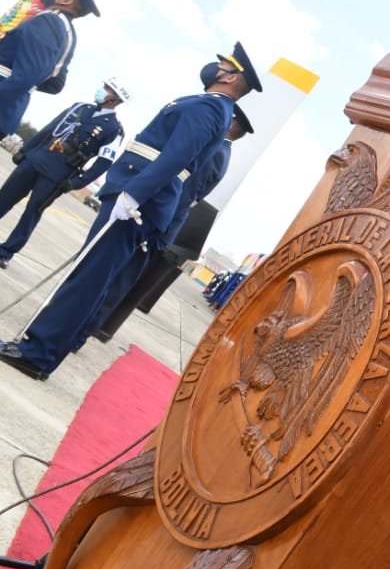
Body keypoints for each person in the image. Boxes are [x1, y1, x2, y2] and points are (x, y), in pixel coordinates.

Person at [0, 43, 260, 382]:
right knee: (89, 277)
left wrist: (134, 195)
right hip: (136, 197)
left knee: (86, 279)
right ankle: (42, 349)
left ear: (230, 77)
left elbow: (175, 157)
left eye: (222, 64)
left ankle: (37, 353)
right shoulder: (211, 106)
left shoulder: (211, 107)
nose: (215, 66)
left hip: (138, 201)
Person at [90, 102, 254, 341]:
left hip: (162, 217)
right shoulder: (222, 152)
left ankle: (94, 324)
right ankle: (98, 325)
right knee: (124, 274)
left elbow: (185, 190)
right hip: (167, 218)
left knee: (122, 274)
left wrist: (155, 211)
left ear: (231, 125)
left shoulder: (217, 151)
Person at [0, 78, 128, 268]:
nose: (101, 90)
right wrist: (25, 151)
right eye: (104, 86)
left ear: (114, 99)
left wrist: (77, 183)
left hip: (57, 176)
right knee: (5, 197)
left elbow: (103, 163)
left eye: (107, 89)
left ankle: (6, 252)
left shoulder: (114, 129)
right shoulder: (80, 107)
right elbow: (50, 129)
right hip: (35, 160)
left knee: (32, 213)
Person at [0, 0, 100, 135]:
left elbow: (26, 76)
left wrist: (16, 85)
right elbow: (55, 84)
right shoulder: (67, 32)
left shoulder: (48, 21)